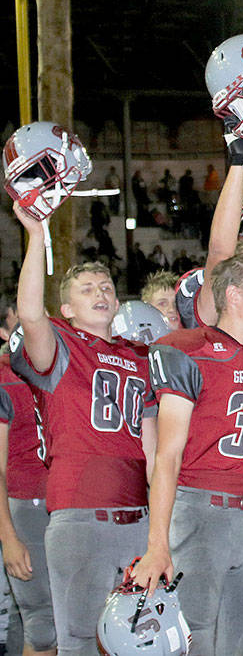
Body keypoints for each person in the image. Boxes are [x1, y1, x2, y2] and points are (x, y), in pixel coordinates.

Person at [134, 252, 243, 653]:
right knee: (195, 636)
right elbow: (168, 456)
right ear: (234, 295)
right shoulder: (191, 351)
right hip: (200, 512)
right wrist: (158, 542)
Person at [11, 206, 155, 656]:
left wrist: (161, 527)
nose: (101, 292)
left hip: (138, 517)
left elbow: (153, 451)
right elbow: (31, 314)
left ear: (117, 303)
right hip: (80, 514)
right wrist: (36, 235)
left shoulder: (139, 356)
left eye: (107, 287)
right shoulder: (62, 343)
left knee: (137, 640)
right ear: (68, 308)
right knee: (78, 641)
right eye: (87, 288)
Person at [0, 339, 54, 656]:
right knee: (43, 624)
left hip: (65, 503)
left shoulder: (64, 367)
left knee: (43, 620)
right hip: (26, 505)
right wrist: (9, 536)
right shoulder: (6, 377)